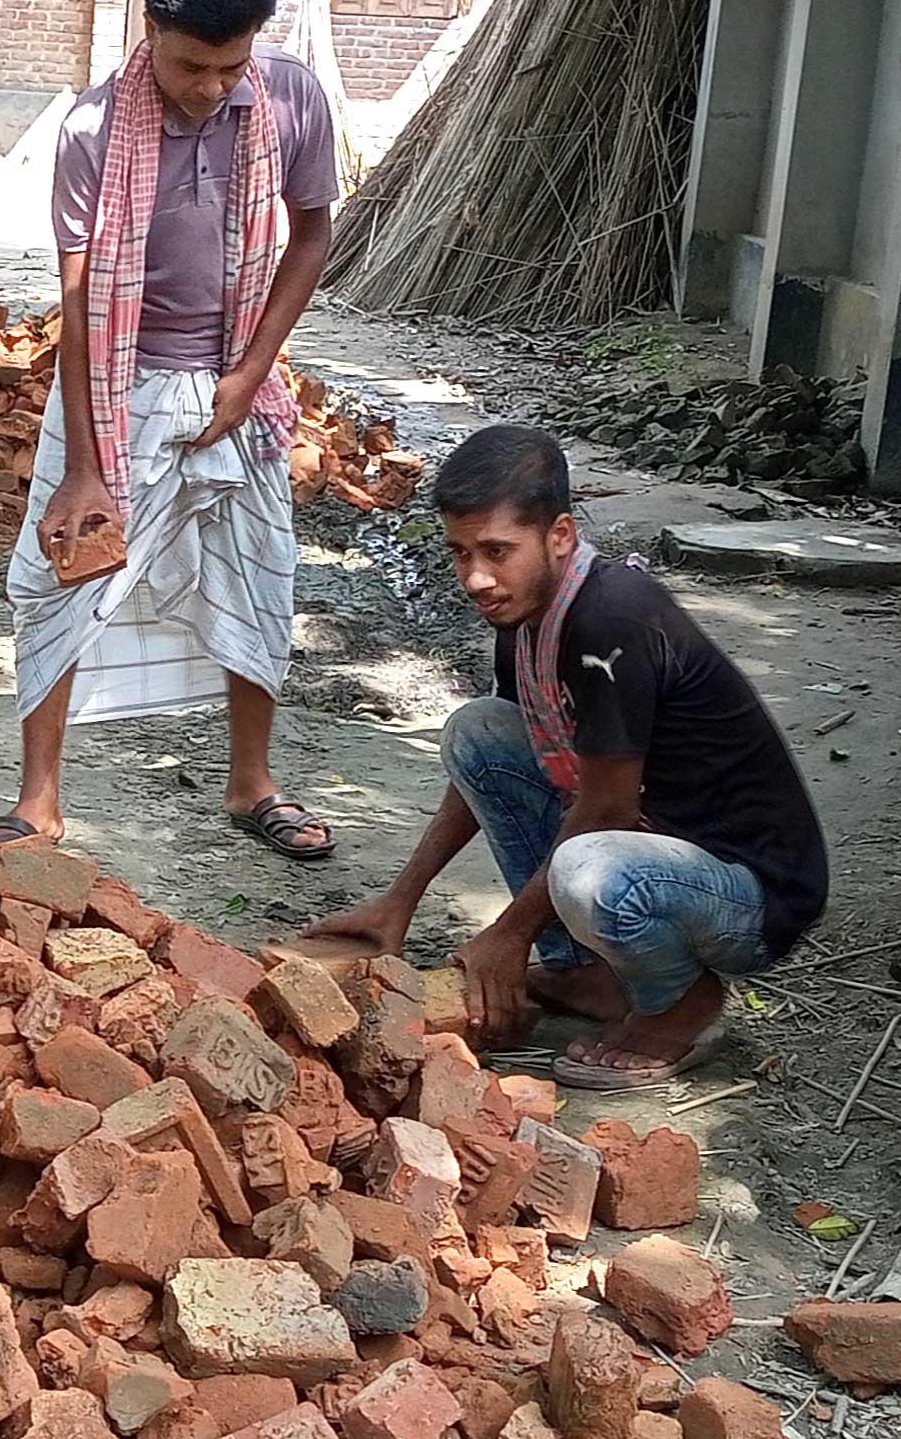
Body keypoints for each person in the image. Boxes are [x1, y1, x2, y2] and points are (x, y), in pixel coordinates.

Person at [308, 425, 828, 1087]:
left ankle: (684, 1005)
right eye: (459, 552)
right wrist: (398, 900)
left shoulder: (608, 622)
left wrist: (505, 934)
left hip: (749, 894)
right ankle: (591, 975)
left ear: (558, 535)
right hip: (660, 848)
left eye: (496, 550)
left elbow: (607, 806)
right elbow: (488, 775)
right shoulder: (524, 610)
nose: (475, 577)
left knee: (589, 870)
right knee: (476, 731)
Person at [3, 0, 337, 859]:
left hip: (239, 380)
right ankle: (38, 801)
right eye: (192, 64)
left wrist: (251, 373)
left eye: (232, 65)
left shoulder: (289, 97)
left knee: (260, 576)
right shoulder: (89, 129)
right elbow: (77, 295)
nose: (214, 85)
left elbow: (310, 233)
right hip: (122, 383)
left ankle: (251, 783)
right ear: (148, 33)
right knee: (64, 578)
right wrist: (82, 463)